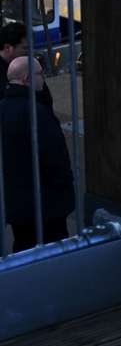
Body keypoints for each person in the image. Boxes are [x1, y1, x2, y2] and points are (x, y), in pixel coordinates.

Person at [1, 55, 75, 252]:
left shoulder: (3, 109)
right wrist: (65, 188)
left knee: (23, 251)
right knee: (55, 253)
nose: (43, 78)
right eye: (40, 74)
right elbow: (56, 158)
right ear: (27, 78)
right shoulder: (37, 113)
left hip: (16, 204)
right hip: (46, 204)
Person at [0, 21, 52, 108]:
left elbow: (46, 98)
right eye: (25, 48)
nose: (30, 52)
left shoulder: (30, 65)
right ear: (8, 48)